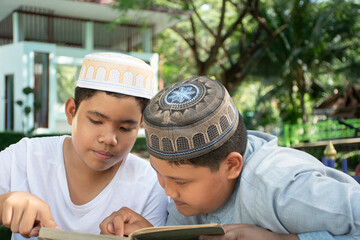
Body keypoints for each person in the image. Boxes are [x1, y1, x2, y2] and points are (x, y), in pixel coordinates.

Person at [100, 76, 360, 240]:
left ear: (232, 166)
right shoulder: (186, 201)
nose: (168, 190)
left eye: (181, 181)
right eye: (159, 173)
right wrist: (152, 235)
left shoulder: (282, 188)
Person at [0, 52, 168, 240]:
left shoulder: (151, 185)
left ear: (140, 126)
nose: (109, 139)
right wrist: (4, 203)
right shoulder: (25, 157)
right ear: (72, 111)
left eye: (125, 128)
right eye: (96, 121)